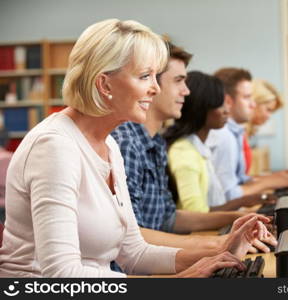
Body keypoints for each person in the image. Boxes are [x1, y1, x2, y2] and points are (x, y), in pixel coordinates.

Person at [0, 19, 272, 278]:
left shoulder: (109, 144)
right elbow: (62, 275)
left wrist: (223, 251)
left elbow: (133, 251)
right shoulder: (54, 147)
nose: (155, 88)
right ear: (104, 84)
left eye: (156, 77)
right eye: (145, 76)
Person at [111, 44, 275, 252]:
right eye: (179, 81)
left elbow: (168, 218)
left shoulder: (155, 144)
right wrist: (217, 244)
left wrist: (238, 218)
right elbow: (131, 237)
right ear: (151, 85)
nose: (186, 91)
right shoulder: (127, 143)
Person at [164, 71, 272, 215]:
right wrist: (242, 211)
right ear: (202, 109)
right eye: (220, 105)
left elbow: (210, 206)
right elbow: (197, 213)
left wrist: (244, 201)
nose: (226, 111)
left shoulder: (199, 147)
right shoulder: (184, 151)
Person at [207, 68, 288, 201]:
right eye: (247, 97)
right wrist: (268, 182)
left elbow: (240, 179)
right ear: (228, 101)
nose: (252, 104)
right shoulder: (224, 135)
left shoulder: (234, 133)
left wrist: (271, 179)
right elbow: (229, 195)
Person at [244, 79, 284, 174]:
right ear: (254, 103)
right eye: (268, 110)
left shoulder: (245, 133)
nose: (269, 116)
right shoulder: (236, 133)